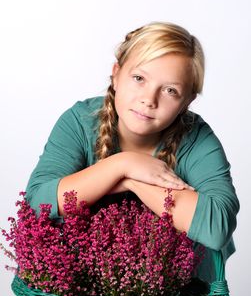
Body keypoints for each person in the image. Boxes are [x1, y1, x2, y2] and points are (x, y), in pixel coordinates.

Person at [25, 21, 239, 282]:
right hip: (84, 295)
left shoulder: (197, 139)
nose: (149, 99)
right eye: (139, 78)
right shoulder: (79, 122)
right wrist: (121, 165)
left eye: (170, 90)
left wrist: (132, 181)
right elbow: (38, 203)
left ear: (187, 101)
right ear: (116, 74)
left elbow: (217, 227)